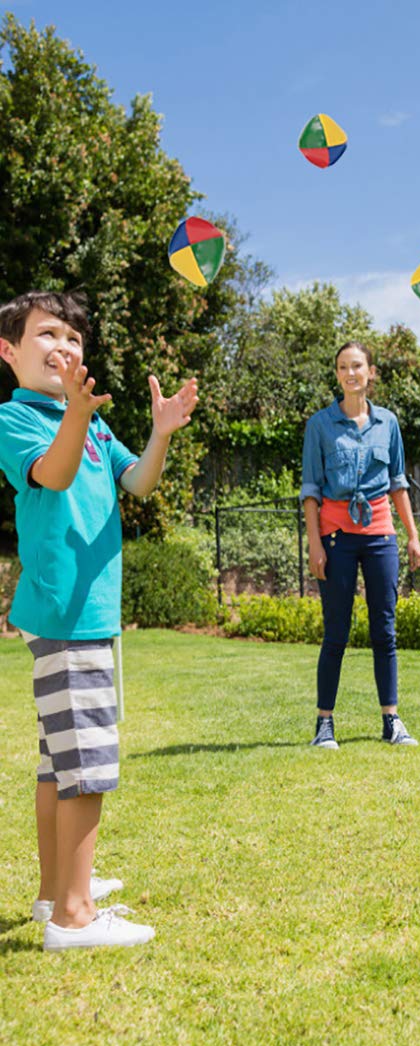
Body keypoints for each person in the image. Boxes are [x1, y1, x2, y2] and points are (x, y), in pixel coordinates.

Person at [0, 290, 198, 950]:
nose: (63, 345)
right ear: (9, 351)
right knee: (85, 759)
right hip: (65, 612)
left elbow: (137, 482)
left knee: (58, 761)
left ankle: (54, 891)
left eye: (73, 337)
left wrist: (160, 434)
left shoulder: (91, 422)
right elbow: (53, 476)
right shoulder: (15, 418)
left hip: (83, 613)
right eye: (46, 334)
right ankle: (74, 917)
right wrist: (75, 417)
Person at [301, 340, 420, 749]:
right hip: (335, 535)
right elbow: (311, 491)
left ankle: (391, 720)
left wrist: (413, 535)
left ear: (371, 373)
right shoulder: (320, 425)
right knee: (336, 631)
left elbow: (398, 484)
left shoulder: (388, 423)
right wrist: (315, 544)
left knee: (384, 630)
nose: (349, 373)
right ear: (337, 374)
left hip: (380, 534)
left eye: (357, 366)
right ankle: (324, 724)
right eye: (342, 367)